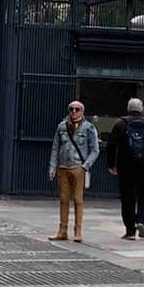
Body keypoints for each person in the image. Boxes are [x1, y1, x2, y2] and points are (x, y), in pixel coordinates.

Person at [107, 98, 144, 240]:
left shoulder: (120, 123)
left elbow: (111, 145)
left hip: (125, 165)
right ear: (141, 109)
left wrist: (111, 165)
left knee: (127, 197)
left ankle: (130, 230)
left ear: (128, 108)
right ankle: (141, 221)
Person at [48, 101, 99, 243]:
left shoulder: (88, 127)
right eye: (71, 109)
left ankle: (78, 231)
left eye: (77, 109)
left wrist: (85, 166)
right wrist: (52, 166)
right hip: (63, 167)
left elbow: (95, 150)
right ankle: (62, 230)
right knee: (63, 199)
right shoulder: (62, 126)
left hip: (78, 167)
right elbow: (55, 147)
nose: (74, 112)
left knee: (77, 199)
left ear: (82, 111)